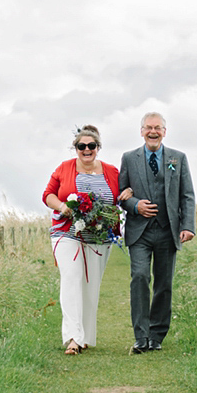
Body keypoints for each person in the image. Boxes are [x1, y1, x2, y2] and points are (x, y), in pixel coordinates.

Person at [42, 125, 131, 355]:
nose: (86, 150)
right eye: (81, 146)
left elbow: (122, 194)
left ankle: (85, 338)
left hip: (99, 237)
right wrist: (62, 207)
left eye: (91, 146)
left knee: (90, 287)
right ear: (76, 148)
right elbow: (48, 195)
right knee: (71, 279)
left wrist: (128, 193)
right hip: (66, 233)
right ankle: (72, 337)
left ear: (98, 148)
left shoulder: (111, 171)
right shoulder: (65, 168)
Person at [118, 112, 196, 354]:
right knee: (140, 278)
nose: (153, 132)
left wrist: (187, 225)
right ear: (141, 131)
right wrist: (135, 205)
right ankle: (140, 337)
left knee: (164, 284)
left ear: (165, 131)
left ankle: (157, 335)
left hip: (167, 230)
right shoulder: (129, 158)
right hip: (139, 232)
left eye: (158, 128)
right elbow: (121, 194)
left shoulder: (178, 158)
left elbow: (187, 195)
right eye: (149, 127)